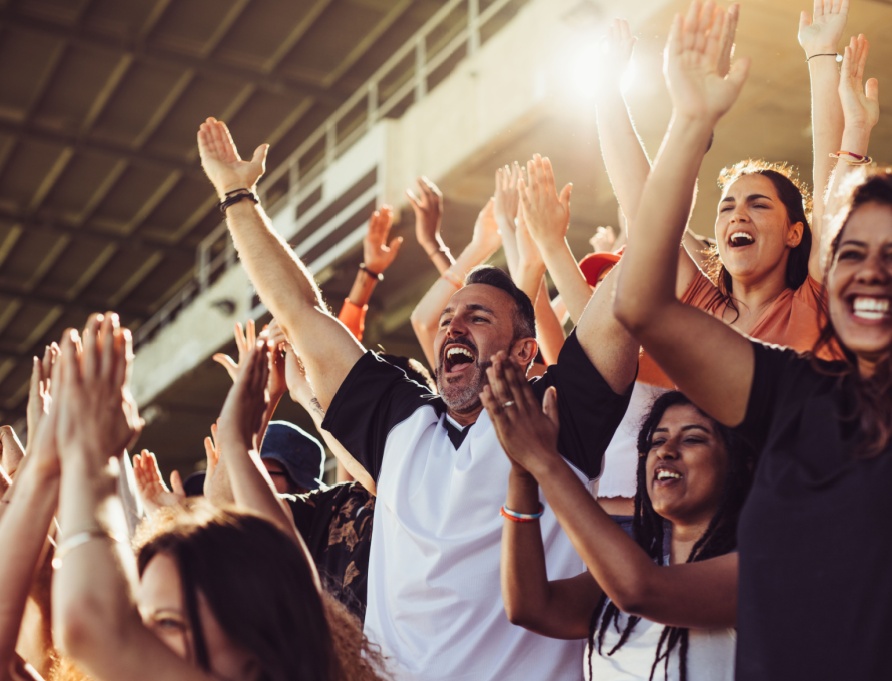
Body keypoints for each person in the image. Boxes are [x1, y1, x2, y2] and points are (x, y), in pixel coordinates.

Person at [197, 117, 638, 680]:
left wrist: (624, 112)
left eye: (477, 318)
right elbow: (301, 311)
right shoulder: (400, 420)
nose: (453, 328)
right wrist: (237, 195)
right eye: (449, 318)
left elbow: (635, 289)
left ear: (526, 353)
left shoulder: (558, 415)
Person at [613, 4, 887, 678]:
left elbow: (834, 198)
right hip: (717, 561)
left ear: (799, 236)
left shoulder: (814, 306)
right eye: (726, 203)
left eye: (757, 203)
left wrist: (822, 66)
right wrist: (667, 113)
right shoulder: (769, 371)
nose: (736, 213)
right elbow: (641, 225)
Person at [482, 356, 751, 680]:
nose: (666, 451)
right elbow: (532, 607)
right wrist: (522, 475)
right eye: (657, 439)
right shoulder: (633, 570)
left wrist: (544, 460)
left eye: (692, 438)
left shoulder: (753, 570)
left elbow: (640, 591)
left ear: (737, 464)